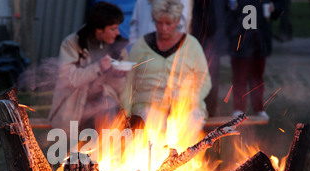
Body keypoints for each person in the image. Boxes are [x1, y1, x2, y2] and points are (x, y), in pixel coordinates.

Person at [121, 0, 211, 130]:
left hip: (186, 107)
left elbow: (204, 79)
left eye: (168, 23)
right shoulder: (141, 45)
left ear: (178, 21)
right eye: (159, 23)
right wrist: (125, 113)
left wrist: (189, 102)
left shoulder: (191, 45)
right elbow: (129, 82)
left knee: (189, 123)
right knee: (149, 124)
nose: (163, 28)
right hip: (148, 107)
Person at [48, 1, 129, 135]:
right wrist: (97, 67)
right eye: (113, 29)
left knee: (108, 107)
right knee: (78, 147)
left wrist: (118, 76)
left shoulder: (118, 48)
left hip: (104, 106)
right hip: (74, 105)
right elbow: (68, 79)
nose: (118, 33)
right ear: (99, 29)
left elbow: (120, 90)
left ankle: (105, 152)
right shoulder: (73, 43)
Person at [227, 0, 283, 119]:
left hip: (259, 38)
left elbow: (278, 8)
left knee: (257, 75)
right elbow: (226, 10)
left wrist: (275, 7)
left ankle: (258, 108)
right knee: (239, 75)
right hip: (240, 36)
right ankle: (239, 108)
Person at [191, 0, 228, 117]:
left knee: (209, 79)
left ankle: (209, 114)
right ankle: (200, 112)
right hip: (201, 38)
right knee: (196, 78)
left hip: (208, 40)